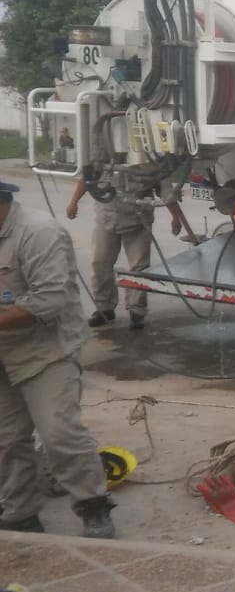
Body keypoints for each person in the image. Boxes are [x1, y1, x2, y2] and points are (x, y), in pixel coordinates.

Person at [0, 176, 115, 538]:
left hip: (46, 349)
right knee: (8, 437)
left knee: (59, 432)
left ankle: (93, 504)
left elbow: (49, 300)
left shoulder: (38, 232)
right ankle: (20, 512)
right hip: (4, 351)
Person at [66, 175, 182, 330]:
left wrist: (175, 216)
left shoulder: (150, 163)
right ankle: (104, 307)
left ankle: (137, 309)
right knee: (100, 263)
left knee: (139, 267)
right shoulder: (103, 160)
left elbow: (165, 190)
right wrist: (73, 202)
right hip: (107, 216)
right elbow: (86, 177)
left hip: (138, 218)